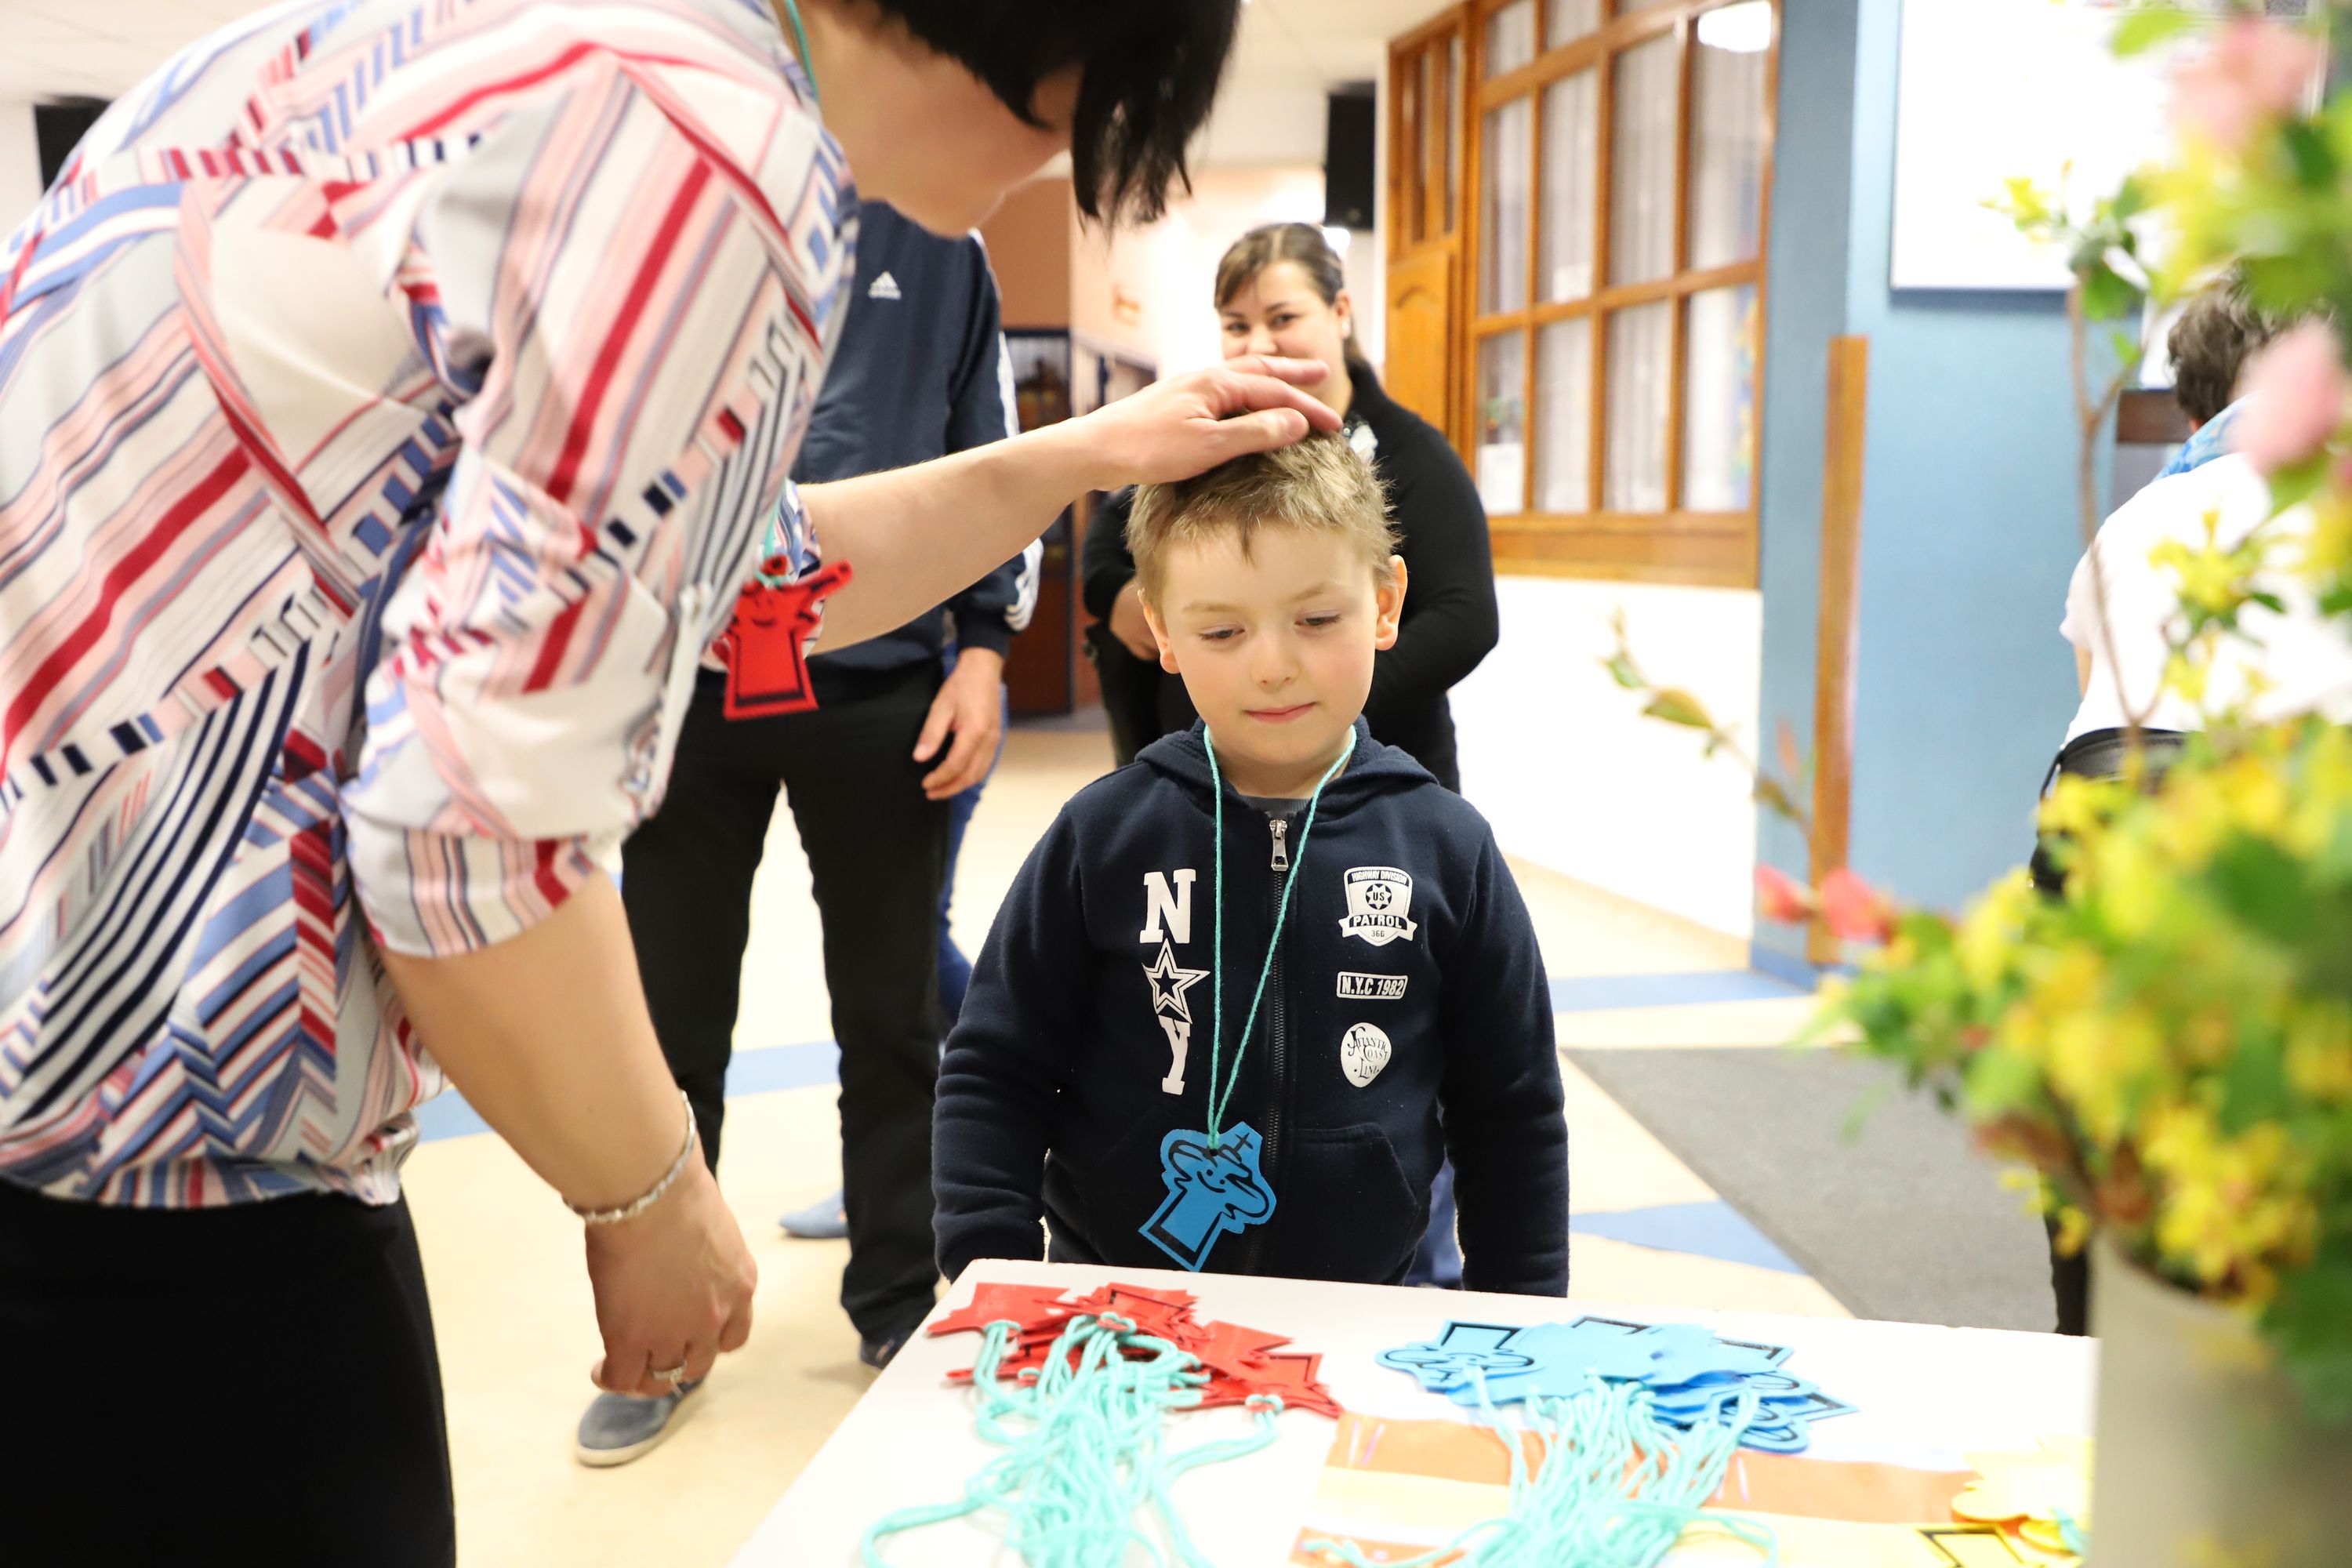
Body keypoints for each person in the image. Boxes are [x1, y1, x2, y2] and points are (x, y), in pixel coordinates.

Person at [0, 1, 1339, 1559]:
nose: (1074, 158)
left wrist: (1082, 453)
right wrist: (646, 1194)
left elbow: (744, 569)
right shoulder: (710, 149)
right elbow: (464, 837)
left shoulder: (497, 52)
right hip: (166, 1169)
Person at [575, 200, 1037, 1466]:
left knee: (891, 1016)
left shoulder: (943, 240)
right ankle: (658, 1331)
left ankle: (896, 1301)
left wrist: (985, 650)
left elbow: (987, 450)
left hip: (881, 683)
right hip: (686, 686)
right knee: (667, 1023)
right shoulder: (668, 207)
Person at [934, 434, 1568, 1296]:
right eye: (1223, 630)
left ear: (1386, 603)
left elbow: (1511, 1110)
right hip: (1115, 1301)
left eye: (1317, 620)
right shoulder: (1103, 836)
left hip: (1359, 1306)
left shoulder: (1448, 849)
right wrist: (991, 1269)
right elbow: (995, 1065)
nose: (1273, 666)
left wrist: (1520, 1313)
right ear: (1162, 628)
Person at [2038, 284, 2352, 1336]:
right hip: (2294, 837)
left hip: (2113, 821)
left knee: (2106, 1141)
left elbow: (2099, 705)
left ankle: (2094, 1357)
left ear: (2191, 408)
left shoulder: (2135, 520)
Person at [1083, 222, 1500, 793]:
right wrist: (1127, 598)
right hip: (1205, 775)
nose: (1259, 344)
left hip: (1373, 773)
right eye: (1237, 326)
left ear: (1340, 312)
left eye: (1282, 319)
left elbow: (1466, 618)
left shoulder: (1411, 450)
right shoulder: (1210, 436)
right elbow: (1111, 533)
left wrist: (1320, 709)